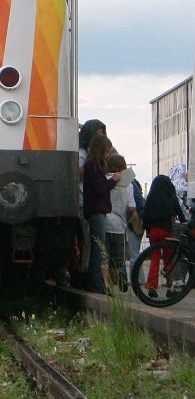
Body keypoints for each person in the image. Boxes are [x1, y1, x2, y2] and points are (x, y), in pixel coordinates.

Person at [83, 135, 121, 293]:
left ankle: (95, 283)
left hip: (94, 210)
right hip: (97, 211)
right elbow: (100, 188)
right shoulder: (93, 165)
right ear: (101, 150)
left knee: (96, 248)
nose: (108, 155)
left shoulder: (90, 164)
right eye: (106, 151)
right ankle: (96, 285)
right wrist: (113, 180)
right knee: (99, 248)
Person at [142, 174, 187, 298]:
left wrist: (147, 230)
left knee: (154, 260)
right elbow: (178, 210)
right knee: (168, 260)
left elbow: (145, 216)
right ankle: (170, 288)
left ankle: (151, 287)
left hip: (154, 232)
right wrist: (183, 221)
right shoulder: (170, 197)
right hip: (167, 231)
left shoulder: (151, 198)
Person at [77, 119, 107, 274]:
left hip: (86, 201)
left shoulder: (88, 155)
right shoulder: (83, 155)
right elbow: (76, 173)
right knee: (94, 244)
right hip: (83, 201)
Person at [104, 154, 135, 291]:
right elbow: (131, 208)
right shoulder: (128, 184)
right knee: (119, 258)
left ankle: (107, 285)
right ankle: (122, 276)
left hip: (103, 224)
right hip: (119, 225)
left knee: (105, 257)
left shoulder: (103, 180)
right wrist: (126, 218)